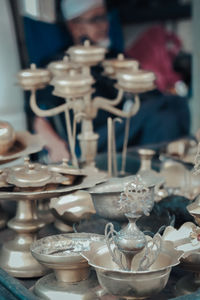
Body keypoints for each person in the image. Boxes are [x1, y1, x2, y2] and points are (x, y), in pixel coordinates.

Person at [28, 0, 190, 162]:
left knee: (165, 117)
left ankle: (166, 169)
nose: (104, 25)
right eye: (95, 19)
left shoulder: (116, 58)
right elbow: (38, 115)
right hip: (94, 137)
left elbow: (149, 92)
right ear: (74, 25)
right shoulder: (58, 65)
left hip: (130, 128)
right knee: (169, 107)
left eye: (104, 17)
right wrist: (55, 144)